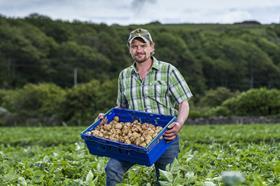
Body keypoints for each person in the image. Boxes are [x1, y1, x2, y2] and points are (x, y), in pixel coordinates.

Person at [103, 28, 193, 185]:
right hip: (133, 138)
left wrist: (178, 124)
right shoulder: (124, 75)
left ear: (152, 47)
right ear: (130, 49)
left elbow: (183, 103)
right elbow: (121, 109)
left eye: (143, 46)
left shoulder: (168, 70)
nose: (139, 50)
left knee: (166, 181)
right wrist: (107, 120)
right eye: (134, 46)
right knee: (112, 168)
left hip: (165, 137)